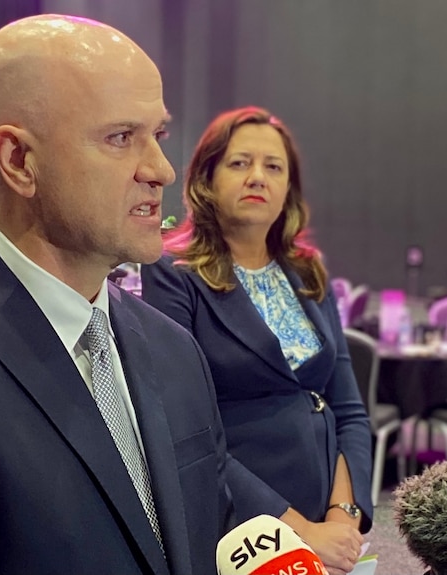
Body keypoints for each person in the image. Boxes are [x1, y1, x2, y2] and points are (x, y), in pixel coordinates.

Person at [0, 16, 291, 575]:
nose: (161, 169)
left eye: (157, 135)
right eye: (120, 138)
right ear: (19, 161)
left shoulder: (174, 351)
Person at [141, 106, 372, 575]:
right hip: (241, 521)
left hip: (324, 510)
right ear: (207, 178)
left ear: (288, 188)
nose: (257, 178)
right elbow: (187, 432)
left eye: (273, 167)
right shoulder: (172, 273)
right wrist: (301, 533)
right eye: (239, 163)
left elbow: (347, 406)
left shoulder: (308, 271)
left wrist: (341, 516)